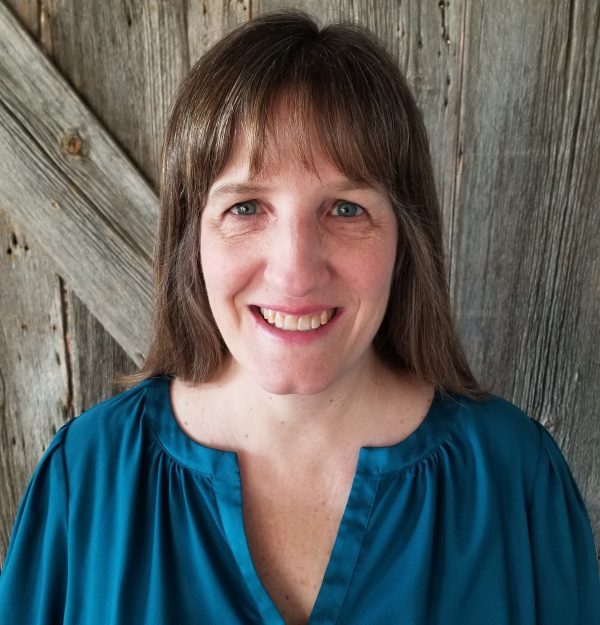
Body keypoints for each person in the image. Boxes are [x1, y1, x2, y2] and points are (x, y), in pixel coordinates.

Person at [1, 9, 599, 625]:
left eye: (345, 207)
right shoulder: (86, 479)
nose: (295, 272)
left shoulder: (516, 481)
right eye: (246, 207)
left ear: (405, 239)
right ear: (191, 237)